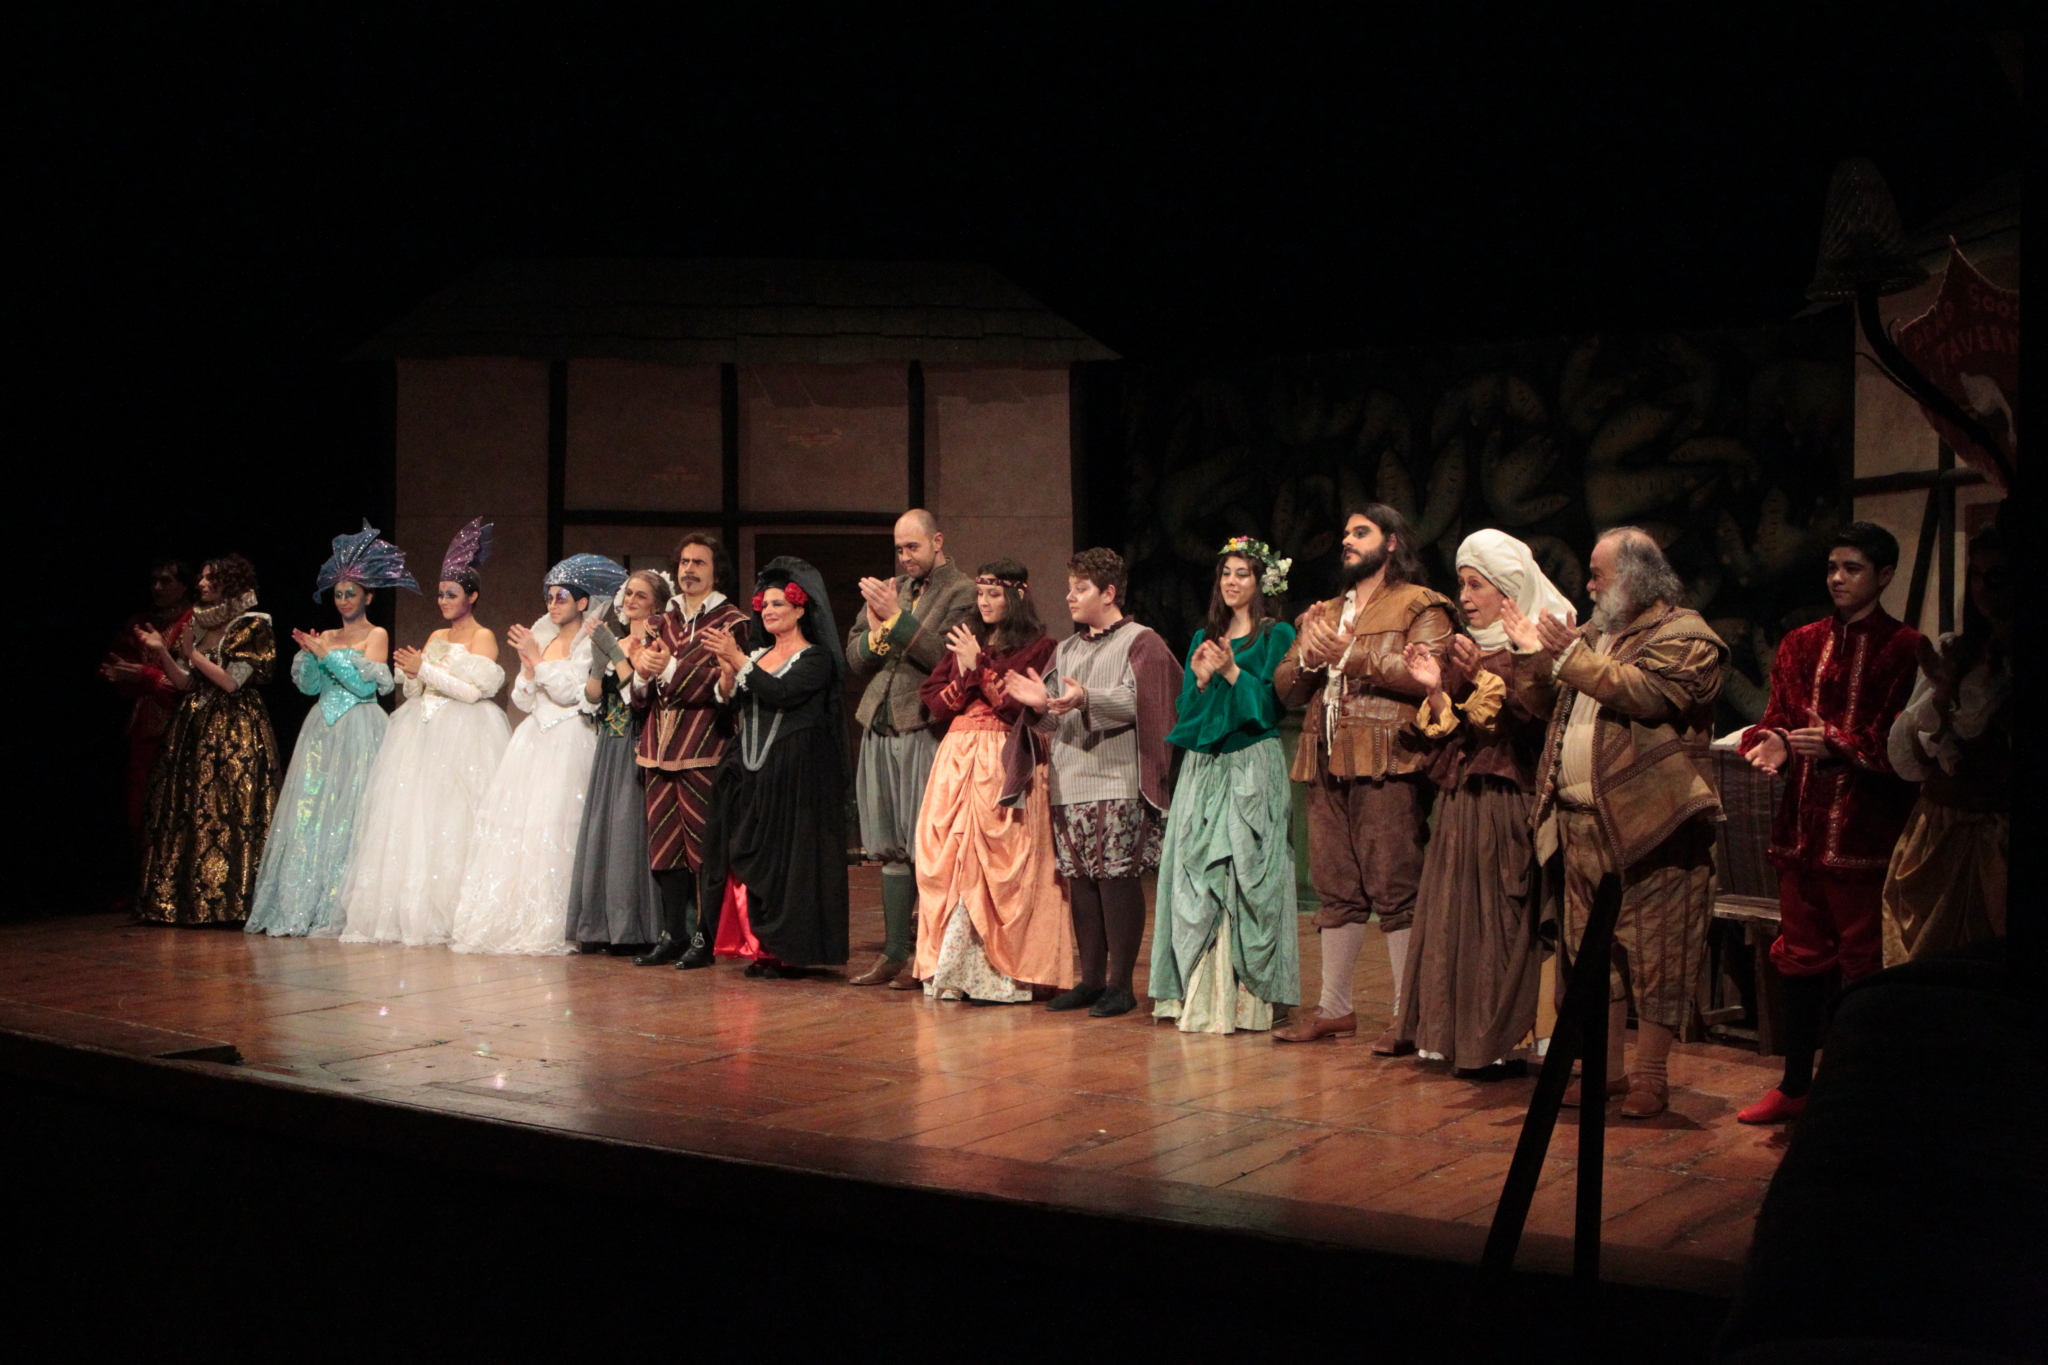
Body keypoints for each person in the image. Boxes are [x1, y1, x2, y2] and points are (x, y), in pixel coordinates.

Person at [1506, 527, 1726, 1120]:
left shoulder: (1686, 635)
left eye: (1598, 574)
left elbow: (1649, 695)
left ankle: (1651, 1075)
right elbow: (1543, 704)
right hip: (1580, 822)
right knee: (1590, 955)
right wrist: (1531, 655)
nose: (1588, 585)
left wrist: (1570, 657)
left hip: (1653, 824)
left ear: (1633, 577)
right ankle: (1604, 1071)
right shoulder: (1592, 635)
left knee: (1657, 950)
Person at [1734, 522, 1921, 1124]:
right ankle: (1795, 1084)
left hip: (1865, 831)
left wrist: (1837, 743)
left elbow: (1901, 747)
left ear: (1884, 575)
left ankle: (1857, 1089)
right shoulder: (1800, 643)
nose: (1838, 579)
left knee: (1863, 961)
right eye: (1833, 567)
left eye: (1853, 568)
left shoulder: (1906, 648)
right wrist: (1773, 742)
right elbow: (1776, 719)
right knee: (1800, 955)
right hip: (1801, 829)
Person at [1270, 504, 1455, 1047]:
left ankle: (1407, 1014)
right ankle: (1334, 1007)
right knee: (1335, 886)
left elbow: (1428, 673)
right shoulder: (1328, 610)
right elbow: (1286, 686)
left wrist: (1351, 655)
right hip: (1326, 757)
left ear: (1392, 542)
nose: (1347, 542)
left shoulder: (1421, 604)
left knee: (1396, 885)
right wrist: (1310, 655)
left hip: (1386, 758)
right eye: (1346, 534)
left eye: (1361, 533)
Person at [1392, 530, 1567, 1075]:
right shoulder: (1463, 647)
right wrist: (1435, 689)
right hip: (1463, 801)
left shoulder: (1536, 645)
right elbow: (1451, 734)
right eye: (1462, 584)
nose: (1465, 597)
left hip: (1508, 799)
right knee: (1456, 919)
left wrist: (1479, 677)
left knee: (1500, 921)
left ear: (1508, 591)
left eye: (1477, 585)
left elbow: (1525, 722)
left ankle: (1505, 1036)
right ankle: (1457, 1035)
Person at [1004, 547, 1179, 1018]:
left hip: (1116, 780)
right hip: (1070, 782)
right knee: (1080, 883)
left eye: (1080, 589)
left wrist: (1086, 698)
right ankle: (1092, 980)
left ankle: (1121, 985)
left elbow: (1145, 701)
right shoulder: (1066, 650)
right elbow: (1050, 721)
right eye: (1070, 588)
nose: (1070, 597)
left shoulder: (1142, 642)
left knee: (1116, 880)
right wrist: (1038, 706)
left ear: (1109, 592)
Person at [1149, 537, 1300, 1034]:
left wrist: (1232, 671)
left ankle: (1248, 1000)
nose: (1232, 582)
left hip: (1249, 763)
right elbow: (1188, 717)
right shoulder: (1203, 638)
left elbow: (1269, 709)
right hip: (1203, 767)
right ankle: (1198, 995)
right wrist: (1199, 681)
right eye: (1226, 573)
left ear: (1261, 583)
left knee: (1245, 873)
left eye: (1243, 573)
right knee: (1195, 874)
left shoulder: (1275, 635)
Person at [337, 518, 509, 946]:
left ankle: (455, 911)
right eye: (440, 594)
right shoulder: (435, 634)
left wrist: (425, 669)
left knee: (454, 818)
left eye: (451, 594)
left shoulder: (483, 636)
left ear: (471, 596)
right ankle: (415, 910)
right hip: (423, 732)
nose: (443, 601)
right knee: (416, 819)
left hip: (463, 734)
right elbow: (419, 689)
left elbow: (474, 691)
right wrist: (412, 674)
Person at [911, 558, 1075, 1003]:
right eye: (980, 594)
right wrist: (968, 667)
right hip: (958, 761)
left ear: (1015, 597)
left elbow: (1016, 705)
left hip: (1006, 757)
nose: (983, 602)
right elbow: (935, 704)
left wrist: (978, 666)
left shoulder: (1040, 646)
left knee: (1007, 861)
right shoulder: (967, 640)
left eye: (994, 594)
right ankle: (952, 971)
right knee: (951, 860)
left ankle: (1006, 974)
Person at [451, 554, 627, 956]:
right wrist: (529, 667)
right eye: (549, 597)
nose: (553, 604)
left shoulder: (591, 643)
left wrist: (538, 661)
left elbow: (571, 693)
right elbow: (522, 699)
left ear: (582, 602)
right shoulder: (542, 639)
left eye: (561, 597)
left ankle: (571, 918)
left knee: (559, 824)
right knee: (523, 828)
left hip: (571, 737)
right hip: (534, 739)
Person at [247, 522, 412, 937]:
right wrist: (309, 658)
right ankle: (305, 900)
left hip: (360, 726)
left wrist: (329, 656)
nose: (343, 601)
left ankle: (348, 903)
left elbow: (365, 687)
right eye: (338, 594)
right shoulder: (328, 635)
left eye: (351, 593)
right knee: (313, 814)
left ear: (368, 596)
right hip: (322, 728)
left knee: (354, 811)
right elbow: (310, 688)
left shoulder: (376, 633)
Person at [698, 559, 851, 977]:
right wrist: (727, 674)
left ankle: (791, 951)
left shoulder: (815, 658)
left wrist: (738, 659)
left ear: (800, 609)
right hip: (753, 772)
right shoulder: (760, 655)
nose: (768, 611)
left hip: (796, 774)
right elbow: (734, 705)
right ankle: (762, 949)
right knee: (751, 858)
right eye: (764, 605)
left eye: (778, 604)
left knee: (791, 864)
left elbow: (782, 693)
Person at [843, 509, 977, 987]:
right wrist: (879, 630)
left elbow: (946, 658)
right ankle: (894, 953)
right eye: (899, 549)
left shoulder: (961, 592)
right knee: (887, 844)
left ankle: (929, 955)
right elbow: (854, 656)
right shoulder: (892, 588)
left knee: (926, 844)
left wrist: (897, 620)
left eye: (913, 547)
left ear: (937, 541)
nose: (905, 557)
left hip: (923, 726)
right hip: (879, 723)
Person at [1882, 524, 2010, 965]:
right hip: (1939, 829)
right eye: (1976, 574)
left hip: (1996, 836)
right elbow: (1910, 758)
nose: (1983, 588)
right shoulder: (1956, 651)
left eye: (1997, 576)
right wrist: (1941, 693)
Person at [135, 553, 281, 925]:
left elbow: (232, 682)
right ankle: (189, 901)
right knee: (191, 810)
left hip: (234, 728)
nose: (200, 584)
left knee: (231, 809)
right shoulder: (199, 624)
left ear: (228, 582)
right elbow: (185, 682)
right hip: (195, 727)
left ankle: (232, 903)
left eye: (208, 577)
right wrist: (162, 653)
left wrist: (192, 654)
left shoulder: (251, 624)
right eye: (200, 577)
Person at [628, 534, 750, 968]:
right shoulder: (660, 621)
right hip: (657, 747)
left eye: (699, 562)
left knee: (703, 848)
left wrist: (671, 668)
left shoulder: (732, 621)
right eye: (684, 562)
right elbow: (640, 697)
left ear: (717, 571)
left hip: (704, 745)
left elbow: (722, 686)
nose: (689, 570)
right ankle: (672, 934)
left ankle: (705, 935)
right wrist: (642, 674)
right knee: (665, 848)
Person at [564, 568, 666, 952]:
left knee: (629, 831)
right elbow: (593, 700)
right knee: (604, 830)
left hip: (641, 741)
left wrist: (616, 654)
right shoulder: (616, 641)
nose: (631, 600)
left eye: (641, 595)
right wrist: (598, 664)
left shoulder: (656, 646)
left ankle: (634, 926)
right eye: (629, 594)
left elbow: (640, 696)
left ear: (657, 604)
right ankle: (600, 925)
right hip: (610, 742)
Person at [99, 560, 194, 867]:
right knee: (139, 811)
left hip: (185, 730)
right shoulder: (138, 625)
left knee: (180, 808)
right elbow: (114, 667)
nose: (157, 587)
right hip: (143, 730)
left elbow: (190, 682)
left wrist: (145, 676)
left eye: (166, 581)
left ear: (184, 585)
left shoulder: (194, 622)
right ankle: (144, 881)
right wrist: (120, 676)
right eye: (154, 580)